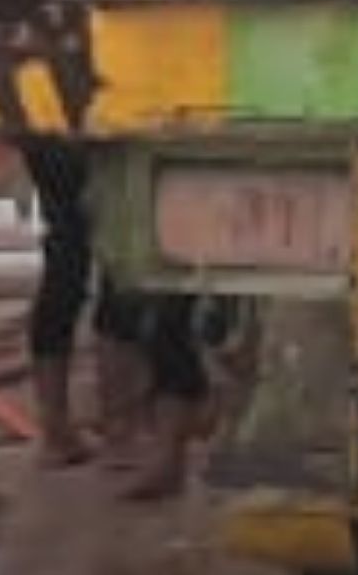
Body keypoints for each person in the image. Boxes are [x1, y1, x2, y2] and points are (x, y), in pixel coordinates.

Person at [18, 136, 220, 499]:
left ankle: (57, 433)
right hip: (115, 125)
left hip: (46, 127)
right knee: (123, 261)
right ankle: (120, 436)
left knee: (65, 257)